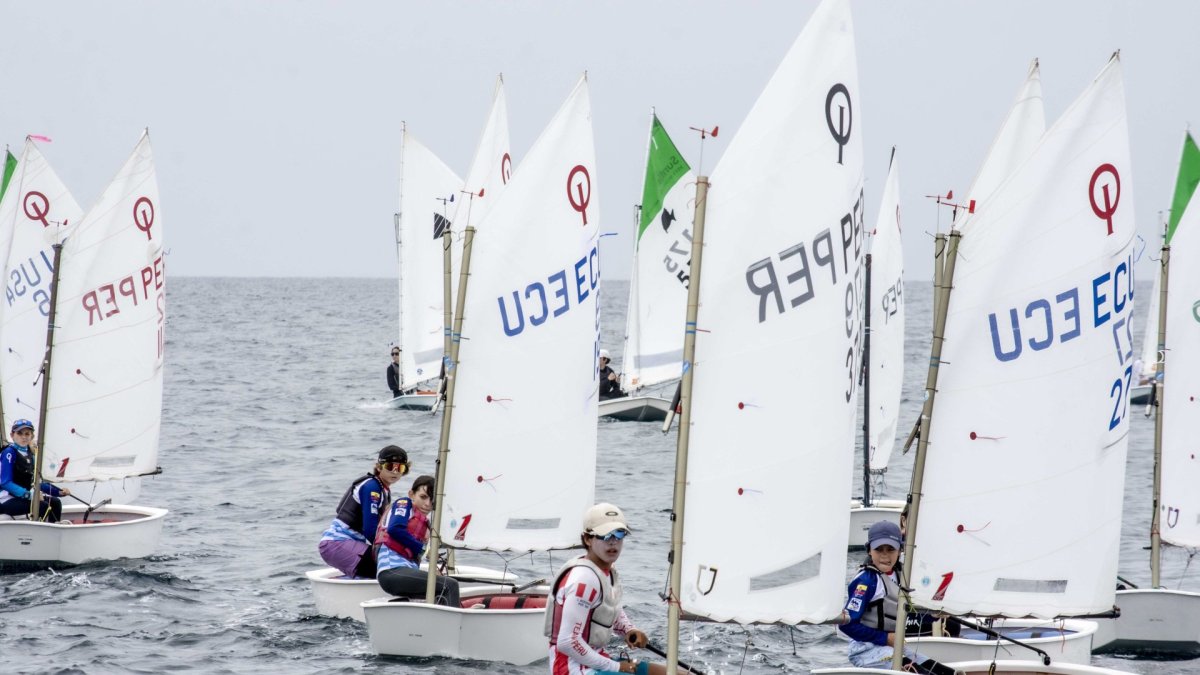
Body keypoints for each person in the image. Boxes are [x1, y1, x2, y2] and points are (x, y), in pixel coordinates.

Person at [544, 503, 677, 675]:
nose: (613, 542)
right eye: (605, 535)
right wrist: (616, 667)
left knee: (677, 673)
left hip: (599, 661)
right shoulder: (584, 580)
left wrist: (629, 630)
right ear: (588, 539)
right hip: (573, 669)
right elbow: (567, 641)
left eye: (619, 534)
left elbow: (609, 608)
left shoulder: (606, 573)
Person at [839, 520, 961, 675]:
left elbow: (908, 614)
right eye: (879, 549)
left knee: (947, 673)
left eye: (890, 549)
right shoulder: (865, 582)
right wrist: (884, 638)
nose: (885, 555)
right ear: (869, 550)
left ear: (900, 550)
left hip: (892, 647)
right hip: (865, 651)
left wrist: (933, 615)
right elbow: (846, 625)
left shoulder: (902, 575)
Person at [317, 445, 409, 578]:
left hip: (345, 543)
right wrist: (395, 550)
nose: (395, 472)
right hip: (336, 543)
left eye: (400, 468)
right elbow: (370, 530)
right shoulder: (372, 487)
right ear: (379, 467)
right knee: (390, 569)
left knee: (394, 563)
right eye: (390, 467)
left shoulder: (383, 489)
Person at [375, 474, 461, 606]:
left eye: (432, 500)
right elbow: (395, 529)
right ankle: (455, 624)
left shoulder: (426, 526)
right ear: (411, 494)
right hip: (391, 572)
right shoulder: (404, 505)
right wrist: (423, 549)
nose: (427, 504)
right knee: (449, 586)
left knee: (441, 590)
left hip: (402, 573)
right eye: (423, 497)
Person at [0, 419, 69, 523]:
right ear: (12, 435)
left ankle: (54, 533)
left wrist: (58, 492)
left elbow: (36, 483)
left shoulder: (31, 454)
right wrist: (29, 495)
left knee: (55, 502)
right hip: (6, 499)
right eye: (19, 433)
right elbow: (5, 482)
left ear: (32, 436)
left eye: (27, 434)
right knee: (42, 506)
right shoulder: (9, 453)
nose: (23, 437)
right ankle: (38, 534)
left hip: (23, 497)